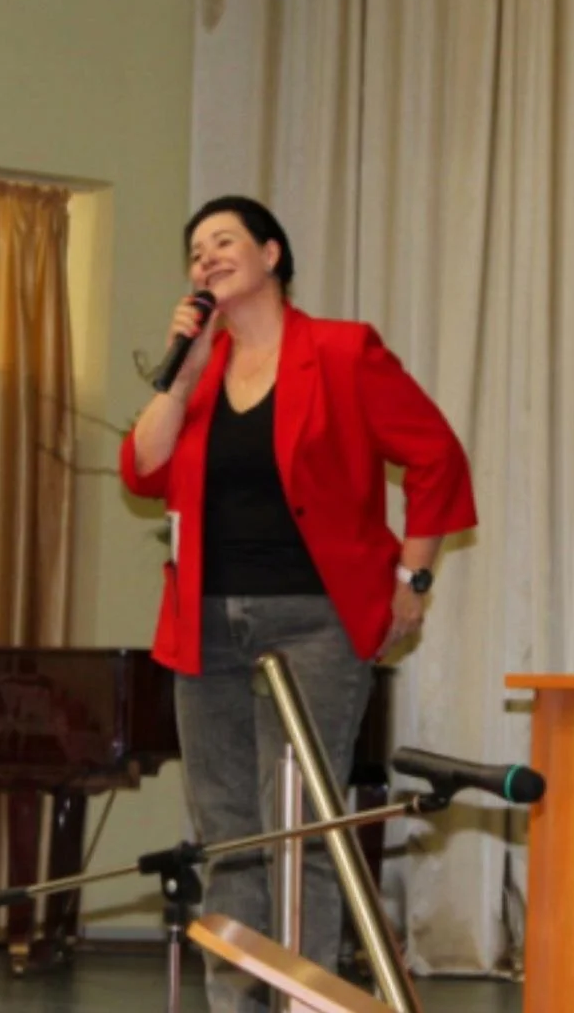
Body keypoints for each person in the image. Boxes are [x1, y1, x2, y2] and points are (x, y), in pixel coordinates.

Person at [120, 195, 477, 1013]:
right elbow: (141, 471)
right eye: (196, 251)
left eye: (224, 241)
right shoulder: (199, 370)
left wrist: (413, 581)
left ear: (272, 254)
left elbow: (437, 458)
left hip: (316, 620)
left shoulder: (342, 351)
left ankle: (305, 1003)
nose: (207, 257)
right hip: (205, 621)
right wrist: (182, 370)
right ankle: (235, 1003)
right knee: (228, 833)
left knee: (305, 828)